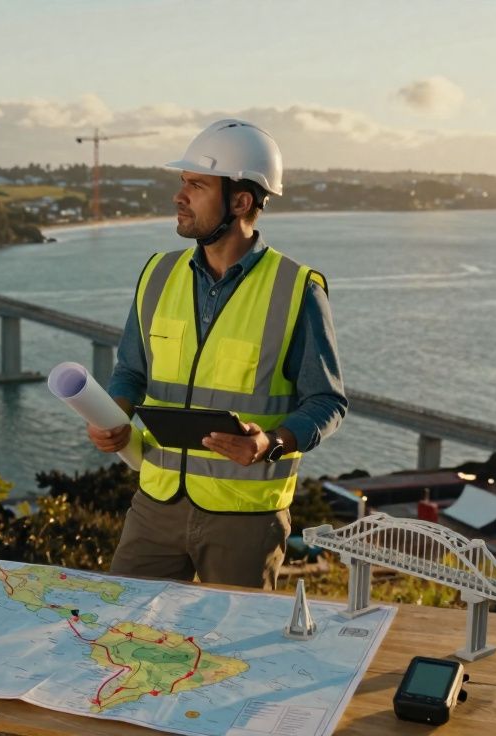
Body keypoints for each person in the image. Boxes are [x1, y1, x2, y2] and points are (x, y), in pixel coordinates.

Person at [89, 119, 348, 590]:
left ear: (241, 201)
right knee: (120, 625)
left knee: (234, 650)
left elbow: (327, 402)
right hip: (156, 505)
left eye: (197, 184)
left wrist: (268, 443)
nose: (179, 195)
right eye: (182, 183)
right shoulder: (157, 274)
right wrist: (114, 414)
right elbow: (131, 370)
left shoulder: (296, 289)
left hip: (244, 519)